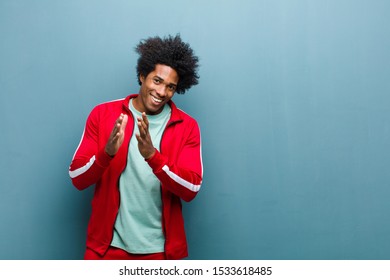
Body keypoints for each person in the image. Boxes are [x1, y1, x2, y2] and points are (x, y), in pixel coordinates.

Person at [68, 34, 203, 260]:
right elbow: (77, 177)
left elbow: (191, 189)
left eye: (170, 87)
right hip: (105, 250)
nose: (161, 92)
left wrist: (153, 156)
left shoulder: (186, 126)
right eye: (157, 81)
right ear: (142, 76)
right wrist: (106, 154)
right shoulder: (103, 114)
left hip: (160, 253)